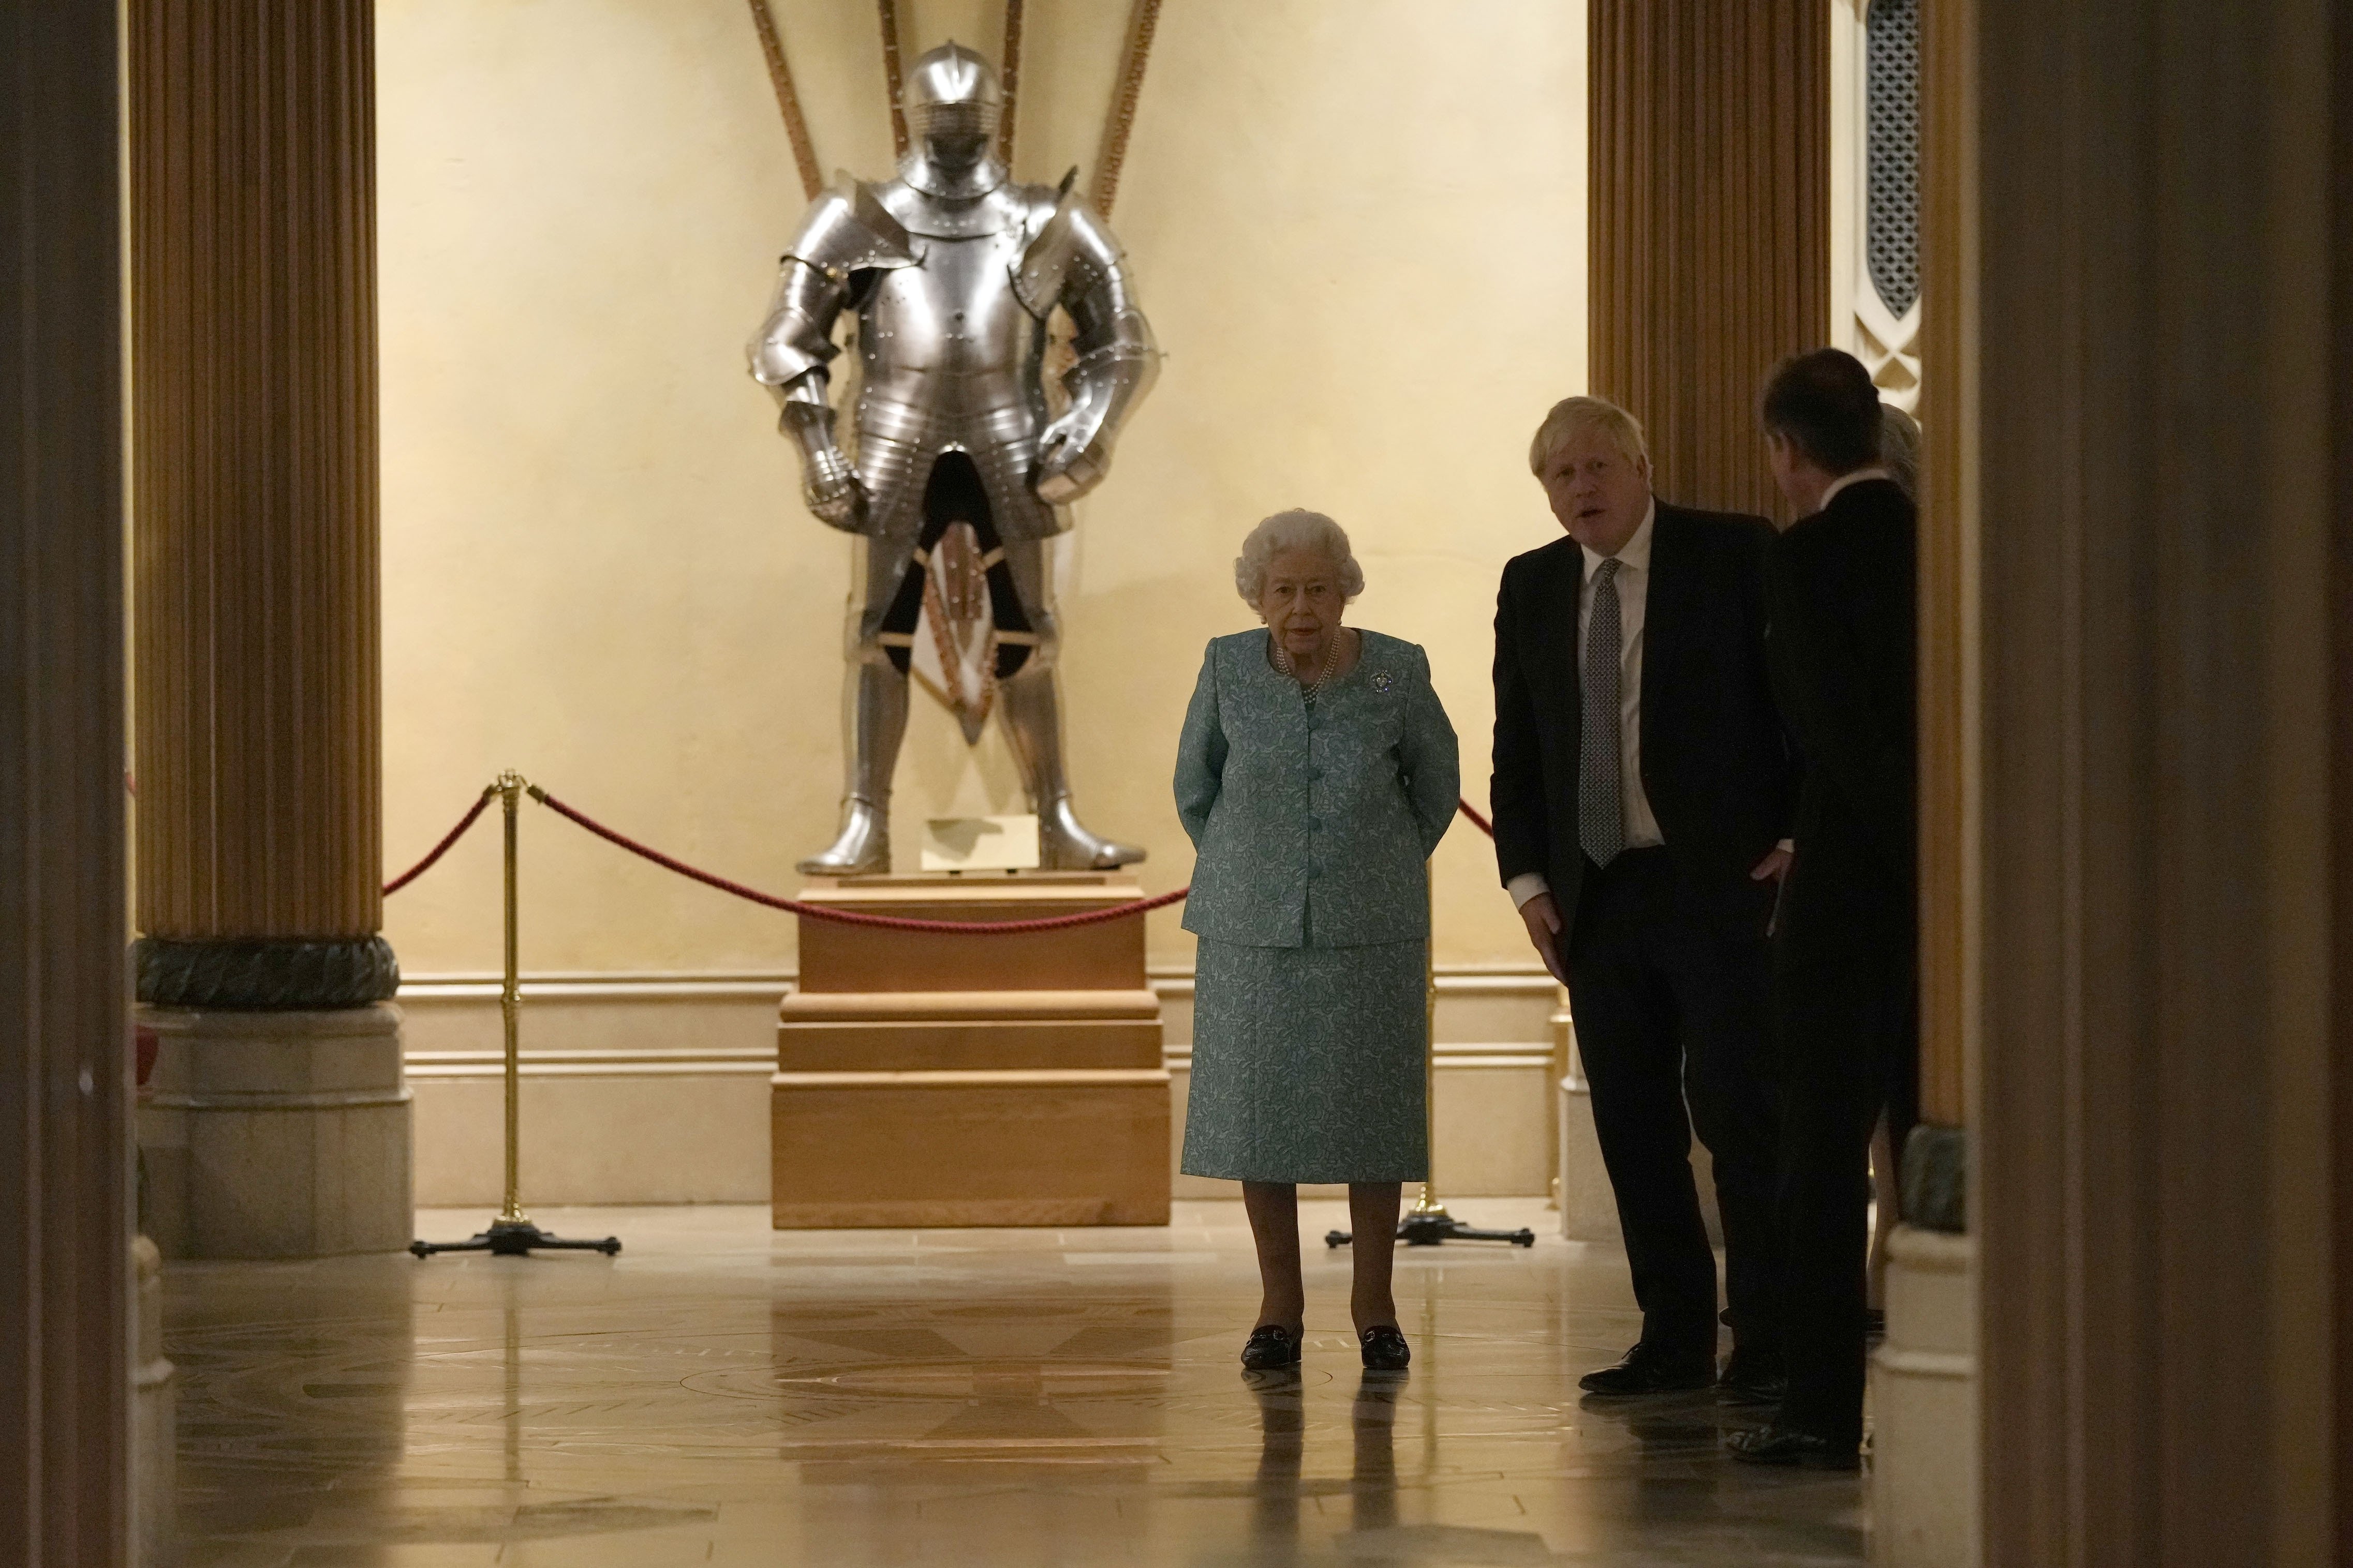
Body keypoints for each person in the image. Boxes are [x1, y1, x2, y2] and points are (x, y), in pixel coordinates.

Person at [1490, 397, 1794, 1405]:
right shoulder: (1532, 585)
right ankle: (1672, 1337)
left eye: (1596, 468)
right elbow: (1518, 750)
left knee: (1741, 1113)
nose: (1581, 489)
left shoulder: (1732, 553)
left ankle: (1764, 1337)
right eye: (1560, 476)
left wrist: (1798, 835)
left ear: (1639, 466)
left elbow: (1796, 698)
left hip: (1717, 882)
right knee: (1632, 1121)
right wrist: (1529, 883)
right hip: (1598, 894)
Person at [1174, 509, 1460, 1374]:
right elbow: (1196, 787)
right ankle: (1278, 1309)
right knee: (1261, 1122)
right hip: (1247, 933)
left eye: (1318, 589)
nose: (1302, 606)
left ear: (1346, 590)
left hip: (1371, 929)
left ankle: (1375, 1308)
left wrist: (1376, 859)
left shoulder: (1397, 671)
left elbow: (1436, 785)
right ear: (1258, 597)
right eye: (1284, 590)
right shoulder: (1227, 666)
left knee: (1371, 1115)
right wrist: (1252, 864)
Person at [1727, 349, 1919, 1470]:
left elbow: (1834, 733)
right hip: (1950, 887)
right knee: (1938, 1140)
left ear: (1789, 450)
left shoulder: (1802, 562)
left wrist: (1881, 851)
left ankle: (1817, 1405)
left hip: (1850, 892)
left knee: (1819, 1150)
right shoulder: (1944, 541)